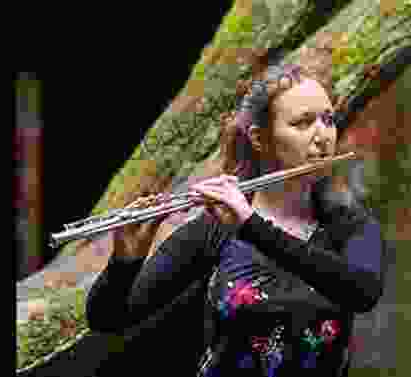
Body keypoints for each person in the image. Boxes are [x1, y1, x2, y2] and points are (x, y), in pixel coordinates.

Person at [85, 56, 385, 376]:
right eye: (302, 122)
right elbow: (108, 319)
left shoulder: (348, 223)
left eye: (328, 120)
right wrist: (124, 262)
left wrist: (252, 227)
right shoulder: (215, 227)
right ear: (259, 139)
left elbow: (362, 292)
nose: (322, 135)